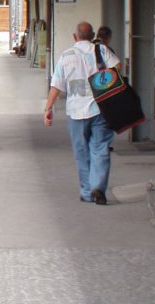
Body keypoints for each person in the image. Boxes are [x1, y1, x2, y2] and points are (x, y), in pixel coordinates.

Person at [44, 21, 120, 205]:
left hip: (76, 111)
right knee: (100, 148)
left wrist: (48, 109)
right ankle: (98, 187)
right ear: (92, 35)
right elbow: (117, 68)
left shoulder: (66, 55)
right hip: (101, 108)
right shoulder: (101, 50)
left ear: (75, 37)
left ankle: (87, 192)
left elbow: (56, 85)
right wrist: (101, 82)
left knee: (81, 151)